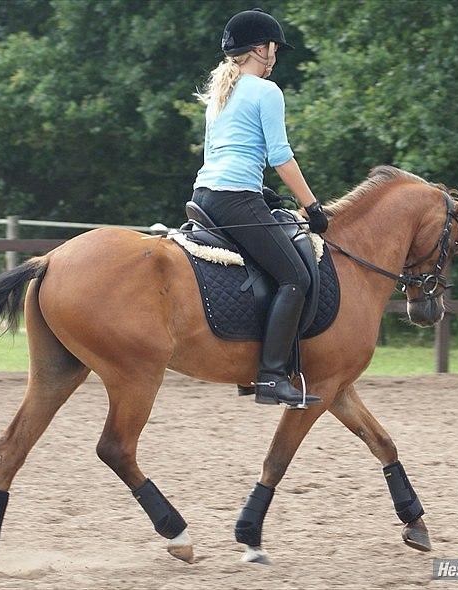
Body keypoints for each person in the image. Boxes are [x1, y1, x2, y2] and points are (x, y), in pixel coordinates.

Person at [192, 8, 328, 407]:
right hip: (235, 198)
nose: (276, 57)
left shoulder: (221, 93)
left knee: (257, 269)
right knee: (295, 277)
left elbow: (215, 152)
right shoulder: (267, 91)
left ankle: (246, 359)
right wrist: (312, 205)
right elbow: (281, 156)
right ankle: (270, 377)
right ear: (262, 49)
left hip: (205, 195)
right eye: (275, 49)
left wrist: (261, 190)